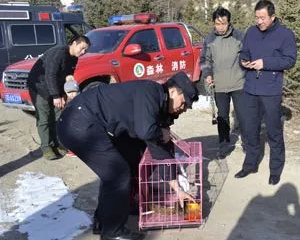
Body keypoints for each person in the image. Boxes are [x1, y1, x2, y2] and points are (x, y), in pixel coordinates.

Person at [56, 72, 199, 240]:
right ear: (174, 91)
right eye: (183, 103)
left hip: (87, 123)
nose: (182, 109)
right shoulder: (150, 92)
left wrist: (178, 190)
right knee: (118, 173)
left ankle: (104, 220)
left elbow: (158, 148)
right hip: (79, 123)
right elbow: (146, 131)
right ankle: (112, 233)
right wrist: (161, 133)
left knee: (128, 162)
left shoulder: (158, 106)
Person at [234, 0, 297, 186]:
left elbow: (290, 60)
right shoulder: (251, 32)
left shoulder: (285, 34)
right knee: (249, 129)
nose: (259, 21)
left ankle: (275, 169)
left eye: (262, 18)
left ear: (272, 17)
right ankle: (250, 164)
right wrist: (244, 61)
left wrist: (265, 63)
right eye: (256, 17)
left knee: (273, 131)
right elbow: (243, 52)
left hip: (271, 90)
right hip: (251, 88)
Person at [27, 35, 90, 160]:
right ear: (74, 43)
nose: (83, 52)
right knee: (45, 117)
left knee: (58, 115)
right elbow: (50, 75)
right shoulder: (59, 53)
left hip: (55, 87)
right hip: (40, 87)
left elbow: (68, 76)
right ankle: (46, 147)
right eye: (82, 48)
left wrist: (65, 93)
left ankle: (58, 144)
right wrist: (56, 96)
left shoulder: (74, 58)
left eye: (86, 50)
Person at [200, 6, 245, 158]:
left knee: (243, 115)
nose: (220, 27)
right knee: (223, 117)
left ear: (229, 22)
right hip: (219, 86)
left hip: (239, 83)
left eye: (223, 23)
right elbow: (205, 60)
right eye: (217, 24)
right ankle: (223, 146)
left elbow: (248, 55)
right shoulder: (209, 40)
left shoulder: (239, 36)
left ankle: (247, 143)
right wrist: (207, 74)